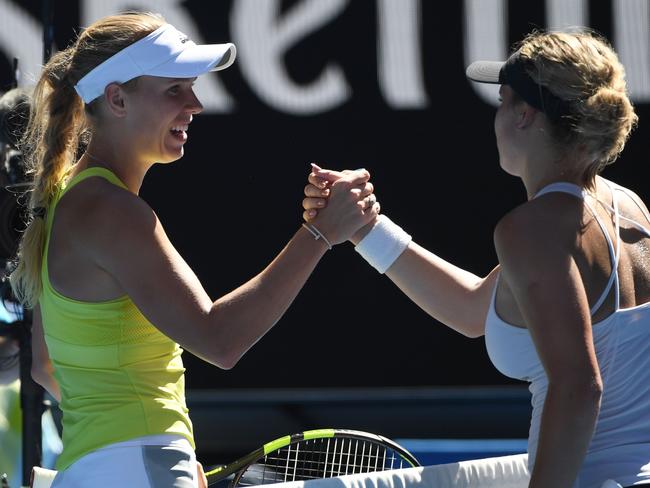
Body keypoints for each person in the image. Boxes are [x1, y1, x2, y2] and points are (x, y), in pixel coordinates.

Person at [9, 11, 378, 487]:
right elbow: (219, 340)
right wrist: (320, 234)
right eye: (174, 90)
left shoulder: (67, 200)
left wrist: (152, 450)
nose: (196, 104)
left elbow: (45, 366)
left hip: (96, 468)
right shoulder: (113, 212)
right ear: (117, 98)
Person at [304, 29, 649, 488]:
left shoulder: (533, 230)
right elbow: (474, 310)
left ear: (525, 115)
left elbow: (578, 388)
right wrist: (364, 229)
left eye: (503, 100)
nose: (497, 116)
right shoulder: (628, 207)